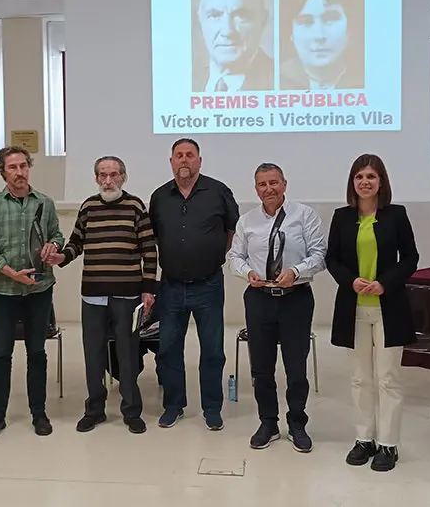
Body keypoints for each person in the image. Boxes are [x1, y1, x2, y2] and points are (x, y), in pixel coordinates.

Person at [45, 156, 157, 435]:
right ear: (96, 178)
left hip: (128, 296)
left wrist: (148, 289)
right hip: (93, 296)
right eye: (103, 175)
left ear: (124, 177)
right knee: (93, 355)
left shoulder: (135, 206)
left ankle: (131, 411)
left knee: (128, 354)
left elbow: (149, 250)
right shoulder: (88, 207)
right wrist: (62, 257)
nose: (109, 180)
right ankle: (94, 410)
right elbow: (75, 243)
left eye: (114, 174)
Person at [325, 154, 419, 471]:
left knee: (388, 378)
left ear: (381, 182)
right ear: (352, 183)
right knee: (360, 379)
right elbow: (332, 259)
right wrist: (350, 280)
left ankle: (388, 444)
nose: (365, 182)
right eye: (359, 176)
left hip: (387, 308)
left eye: (371, 176)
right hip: (354, 309)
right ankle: (364, 439)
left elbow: (409, 258)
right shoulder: (341, 217)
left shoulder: (396, 215)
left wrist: (385, 283)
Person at [228, 163, 325, 453]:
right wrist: (248, 274)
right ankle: (268, 422)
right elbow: (235, 256)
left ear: (284, 184)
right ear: (255, 188)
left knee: (296, 367)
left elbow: (319, 255)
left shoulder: (305, 215)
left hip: (296, 298)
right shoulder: (247, 221)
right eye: (262, 184)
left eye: (273, 183)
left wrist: (296, 270)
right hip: (259, 299)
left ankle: (297, 423)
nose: (268, 189)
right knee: (262, 367)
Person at [149, 138, 239, 430]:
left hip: (209, 285)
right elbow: (155, 236)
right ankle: (174, 405)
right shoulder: (160, 196)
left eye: (190, 155)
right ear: (171, 161)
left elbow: (232, 230)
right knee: (168, 349)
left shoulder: (218, 191)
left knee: (212, 349)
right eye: (179, 155)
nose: (184, 160)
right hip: (171, 286)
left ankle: (212, 407)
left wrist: (213, 254)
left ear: (200, 160)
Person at [0, 146, 64, 440]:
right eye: (12, 167)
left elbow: (56, 235)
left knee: (37, 352)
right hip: (3, 290)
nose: (20, 172)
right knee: (2, 352)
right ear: (3, 172)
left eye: (24, 165)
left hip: (39, 289)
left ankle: (39, 413)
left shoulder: (46, 203)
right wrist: (11, 273)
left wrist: (53, 247)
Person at [279, 0, 365, 90]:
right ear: (291, 33)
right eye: (306, 22)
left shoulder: (371, 77)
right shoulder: (274, 79)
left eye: (330, 20)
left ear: (350, 28)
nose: (319, 35)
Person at [193, 0, 274, 92]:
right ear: (200, 21)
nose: (227, 31)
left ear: (263, 20)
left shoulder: (282, 84)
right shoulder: (183, 84)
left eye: (241, 16)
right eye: (215, 15)